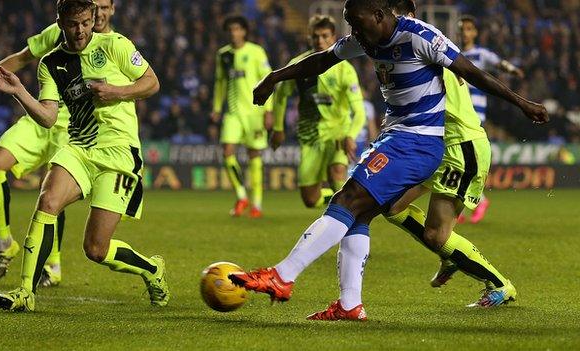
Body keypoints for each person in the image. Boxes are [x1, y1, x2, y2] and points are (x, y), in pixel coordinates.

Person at [229, 0, 547, 320]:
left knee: (348, 199)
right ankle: (349, 304)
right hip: (398, 139)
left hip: (418, 142)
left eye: (357, 23)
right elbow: (322, 61)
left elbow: (472, 72)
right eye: (350, 24)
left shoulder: (420, 37)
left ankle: (282, 276)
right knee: (362, 213)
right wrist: (274, 76)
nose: (354, 32)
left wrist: (522, 103)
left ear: (381, 15)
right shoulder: (366, 39)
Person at [0, 0, 168, 312]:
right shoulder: (51, 63)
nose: (79, 30)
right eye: (72, 24)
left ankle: (152, 269)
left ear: (93, 18)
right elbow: (47, 117)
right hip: (79, 148)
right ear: (61, 22)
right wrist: (18, 91)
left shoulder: (116, 46)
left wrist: (117, 92)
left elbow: (152, 83)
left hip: (119, 152)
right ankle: (26, 291)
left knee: (95, 249)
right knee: (48, 201)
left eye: (85, 22)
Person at [0, 0, 117, 287]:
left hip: (73, 128)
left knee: (51, 195)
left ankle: (53, 265)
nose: (98, 14)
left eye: (104, 7)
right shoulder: (59, 32)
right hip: (40, 116)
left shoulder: (114, 46)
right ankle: (5, 242)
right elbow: (21, 58)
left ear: (108, 11)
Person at [271, 15, 365, 209]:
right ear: (309, 38)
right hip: (310, 138)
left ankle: (349, 217)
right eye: (316, 37)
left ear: (334, 37)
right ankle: (345, 200)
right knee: (310, 200)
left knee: (337, 173)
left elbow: (359, 111)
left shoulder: (344, 70)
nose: (320, 41)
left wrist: (350, 135)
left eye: (325, 36)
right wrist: (278, 128)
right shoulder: (299, 65)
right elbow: (280, 95)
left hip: (337, 134)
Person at [458, 14, 525, 224]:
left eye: (469, 29)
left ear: (475, 32)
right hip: (457, 111)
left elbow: (499, 63)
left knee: (464, 158)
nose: (464, 32)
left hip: (474, 113)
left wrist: (513, 69)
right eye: (462, 29)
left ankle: (476, 200)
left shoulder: (480, 54)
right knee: (459, 159)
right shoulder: (455, 54)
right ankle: (468, 201)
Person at [211, 15, 274, 218]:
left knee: (254, 157)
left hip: (255, 112)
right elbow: (220, 83)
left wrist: (269, 110)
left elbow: (268, 80)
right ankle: (241, 195)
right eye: (230, 29)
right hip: (233, 113)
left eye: (237, 29)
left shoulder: (256, 52)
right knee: (227, 151)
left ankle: (256, 204)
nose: (233, 33)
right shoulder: (223, 55)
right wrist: (216, 108)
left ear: (244, 31)